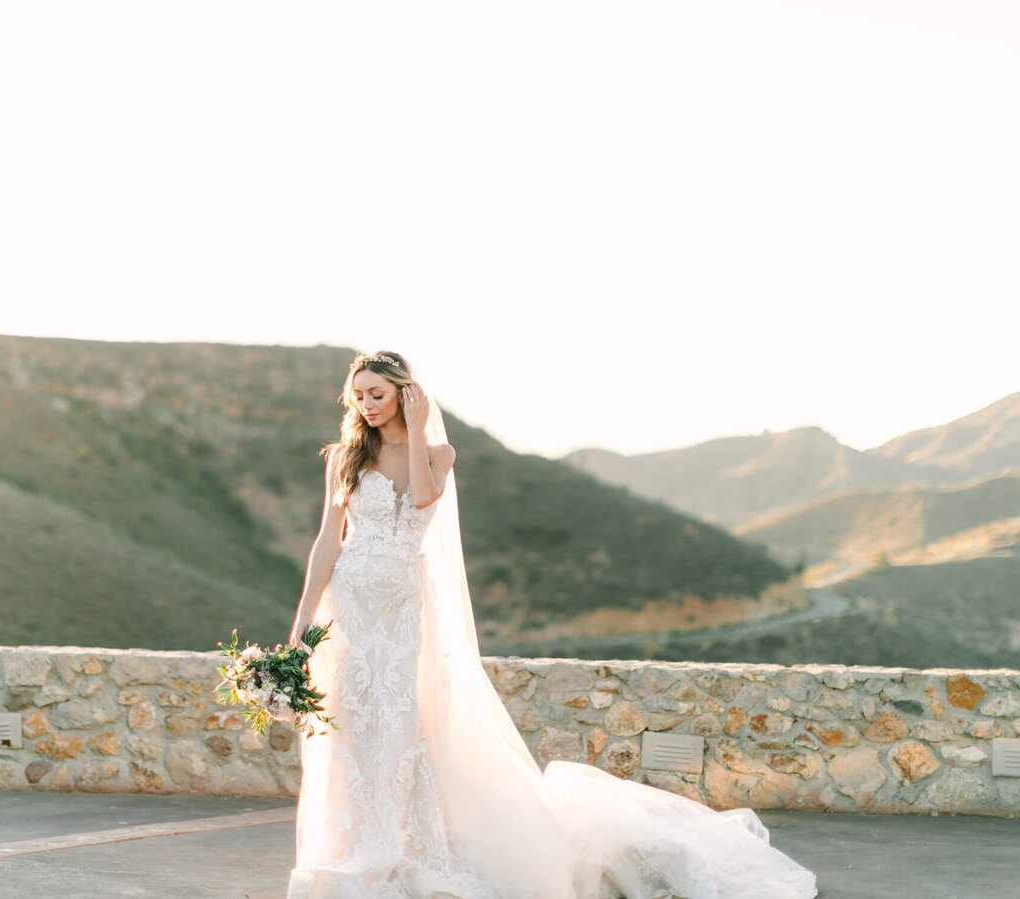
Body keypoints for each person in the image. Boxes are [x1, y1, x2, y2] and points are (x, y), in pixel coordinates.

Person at [285, 350, 818, 899]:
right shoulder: (344, 457)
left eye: (378, 394)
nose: (368, 405)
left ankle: (402, 845)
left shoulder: (438, 451)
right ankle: (353, 845)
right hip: (347, 606)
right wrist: (303, 622)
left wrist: (416, 430)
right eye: (360, 396)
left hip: (400, 612)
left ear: (404, 393)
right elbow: (328, 540)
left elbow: (424, 498)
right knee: (348, 726)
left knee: (401, 726)